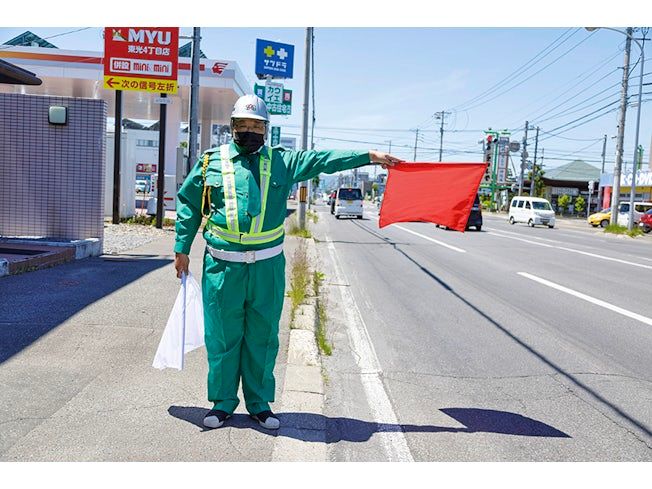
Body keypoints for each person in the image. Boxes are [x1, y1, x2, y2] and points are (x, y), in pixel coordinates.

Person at [174, 94, 400, 430]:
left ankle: (260, 404)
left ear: (266, 129)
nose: (250, 130)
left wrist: (369, 156)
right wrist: (182, 247)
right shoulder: (211, 162)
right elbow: (189, 204)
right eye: (243, 125)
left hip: (266, 268)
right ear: (233, 127)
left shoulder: (283, 162)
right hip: (222, 268)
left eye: (257, 125)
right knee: (223, 336)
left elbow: (324, 159)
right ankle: (222, 404)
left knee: (263, 337)